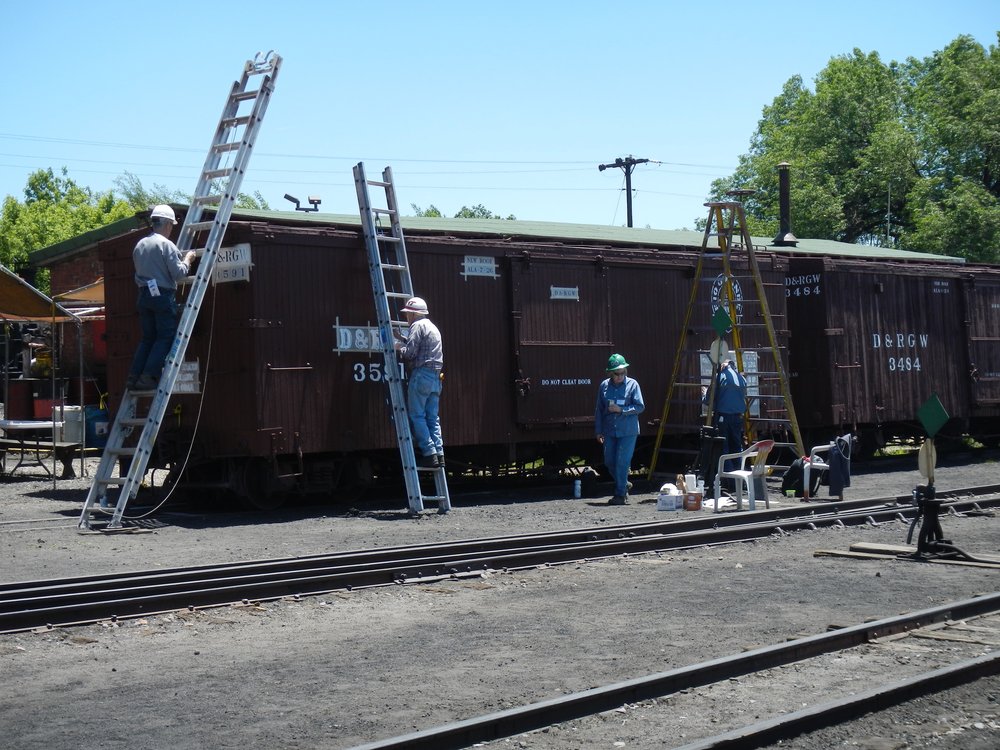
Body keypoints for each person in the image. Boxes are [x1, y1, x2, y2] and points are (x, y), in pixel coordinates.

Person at [126, 205, 195, 391]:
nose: (171, 229)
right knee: (165, 336)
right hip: (162, 295)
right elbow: (179, 274)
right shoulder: (166, 245)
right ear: (166, 224)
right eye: (171, 225)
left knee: (148, 338)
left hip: (144, 294)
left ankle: (134, 376)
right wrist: (188, 259)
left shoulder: (140, 245)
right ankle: (148, 376)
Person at [394, 296, 444, 468]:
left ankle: (429, 453)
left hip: (421, 374)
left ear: (413, 314)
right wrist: (403, 338)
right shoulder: (432, 327)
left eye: (408, 314)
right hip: (435, 377)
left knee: (417, 415)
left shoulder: (416, 326)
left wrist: (399, 347)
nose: (406, 317)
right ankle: (439, 453)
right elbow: (422, 346)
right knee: (432, 417)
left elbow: (410, 354)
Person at [594, 354, 645, 505]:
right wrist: (598, 430)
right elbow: (599, 410)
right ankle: (624, 483)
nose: (620, 376)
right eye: (617, 373)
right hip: (610, 430)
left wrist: (621, 410)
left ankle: (620, 495)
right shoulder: (604, 386)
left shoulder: (633, 385)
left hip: (628, 431)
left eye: (623, 372)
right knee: (609, 461)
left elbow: (640, 406)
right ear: (610, 373)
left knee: (622, 462)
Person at [707, 358, 748, 471]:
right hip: (738, 417)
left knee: (723, 448)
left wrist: (704, 393)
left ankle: (728, 478)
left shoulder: (719, 377)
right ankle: (738, 476)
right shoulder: (742, 379)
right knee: (736, 446)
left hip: (723, 417)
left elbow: (708, 400)